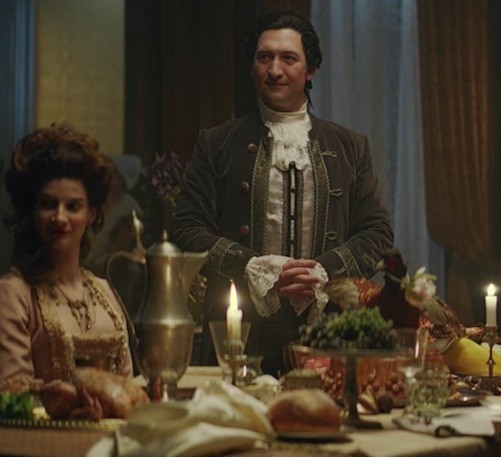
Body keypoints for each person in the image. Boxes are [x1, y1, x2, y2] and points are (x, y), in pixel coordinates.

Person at [171, 11, 393, 376]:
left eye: (288, 58)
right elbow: (186, 226)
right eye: (265, 57)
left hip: (329, 329)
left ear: (310, 70)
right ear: (252, 67)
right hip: (239, 327)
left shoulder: (350, 146)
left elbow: (377, 233)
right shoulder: (217, 143)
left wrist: (324, 270)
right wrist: (254, 267)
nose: (275, 70)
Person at [0, 124, 134, 391]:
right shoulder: (14, 294)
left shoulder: (104, 293)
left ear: (91, 214)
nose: (59, 218)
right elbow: (11, 397)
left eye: (73, 206)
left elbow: (127, 387)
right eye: (48, 204)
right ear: (33, 210)